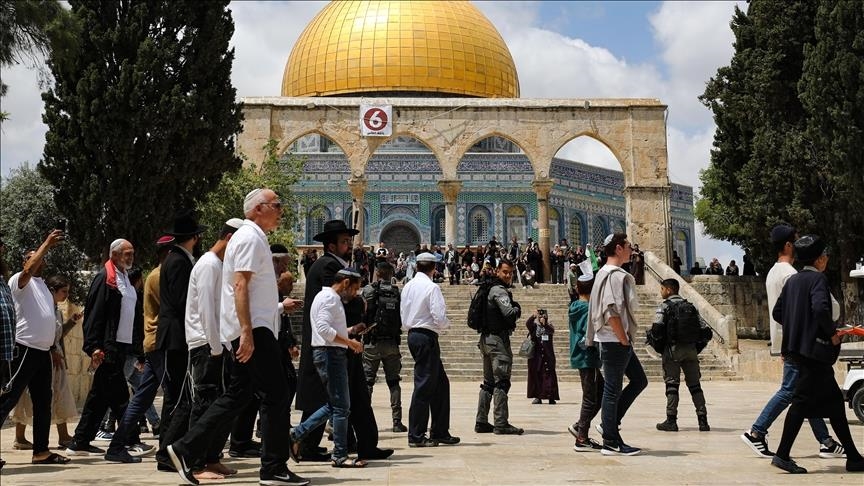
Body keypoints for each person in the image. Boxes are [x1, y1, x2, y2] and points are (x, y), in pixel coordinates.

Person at [167, 188, 308, 486]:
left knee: (237, 395)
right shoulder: (248, 237)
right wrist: (246, 332)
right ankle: (273, 468)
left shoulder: (253, 237)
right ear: (258, 208)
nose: (281, 210)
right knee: (277, 394)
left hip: (254, 327)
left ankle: (184, 449)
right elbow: (239, 286)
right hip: (253, 329)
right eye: (276, 204)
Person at [740, 225, 843, 460]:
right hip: (798, 343)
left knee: (805, 391)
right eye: (796, 241)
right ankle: (756, 431)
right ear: (788, 245)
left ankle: (825, 441)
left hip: (787, 340)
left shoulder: (774, 272)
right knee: (790, 391)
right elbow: (813, 309)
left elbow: (779, 313)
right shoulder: (792, 275)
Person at [770, 235, 864, 474]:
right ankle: (782, 455)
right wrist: (831, 333)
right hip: (813, 352)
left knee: (834, 403)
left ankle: (853, 457)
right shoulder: (817, 280)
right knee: (801, 402)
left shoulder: (792, 281)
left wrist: (798, 324)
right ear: (821, 259)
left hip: (797, 350)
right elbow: (821, 309)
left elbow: (778, 312)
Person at [65, 239, 145, 461]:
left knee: (99, 397)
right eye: (126, 254)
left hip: (122, 346)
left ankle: (80, 441)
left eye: (132, 254)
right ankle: (127, 441)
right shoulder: (105, 279)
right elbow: (94, 314)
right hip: (108, 347)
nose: (130, 258)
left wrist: (137, 349)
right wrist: (94, 346)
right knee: (120, 397)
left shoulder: (125, 280)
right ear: (114, 255)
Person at [176, 218, 243, 479]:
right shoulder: (207, 265)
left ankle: (211, 457)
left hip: (217, 344)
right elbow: (205, 311)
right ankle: (195, 463)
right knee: (204, 404)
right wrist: (216, 348)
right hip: (206, 344)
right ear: (228, 238)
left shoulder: (219, 266)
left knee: (220, 405)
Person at [0, 230, 72, 465]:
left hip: (42, 352)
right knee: (7, 400)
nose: (40, 260)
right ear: (25, 262)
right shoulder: (20, 281)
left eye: (42, 257)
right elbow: (30, 269)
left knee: (43, 403)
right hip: (24, 349)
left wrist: (52, 348)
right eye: (34, 257)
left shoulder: (43, 286)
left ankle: (41, 451)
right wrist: (47, 244)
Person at [104, 235, 174, 467]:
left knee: (142, 397)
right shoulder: (160, 276)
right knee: (173, 396)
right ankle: (169, 450)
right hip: (161, 344)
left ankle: (117, 446)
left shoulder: (157, 275)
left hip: (154, 345)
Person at [290, 269, 367, 468]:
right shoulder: (330, 299)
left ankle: (297, 435)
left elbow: (327, 327)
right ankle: (339, 455)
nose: (356, 294)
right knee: (341, 407)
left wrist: (350, 330)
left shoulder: (325, 297)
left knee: (337, 405)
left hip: (331, 352)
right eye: (355, 289)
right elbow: (324, 330)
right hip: (330, 354)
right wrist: (350, 342)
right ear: (346, 283)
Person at [296, 219, 356, 462]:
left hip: (326, 341)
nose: (349, 245)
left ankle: (306, 443)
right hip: (326, 343)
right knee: (328, 399)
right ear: (331, 246)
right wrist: (348, 334)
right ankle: (302, 440)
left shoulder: (327, 264)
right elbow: (331, 310)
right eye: (344, 242)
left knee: (323, 397)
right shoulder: (329, 268)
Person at [586, 233, 648, 456]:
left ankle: (609, 424)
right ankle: (610, 441)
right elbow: (611, 311)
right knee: (612, 390)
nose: (632, 250)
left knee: (639, 380)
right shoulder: (613, 275)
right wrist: (623, 339)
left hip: (614, 340)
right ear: (619, 248)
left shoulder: (604, 272)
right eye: (629, 246)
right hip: (614, 341)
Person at [155, 210, 207, 467]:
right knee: (177, 396)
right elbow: (181, 300)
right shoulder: (178, 261)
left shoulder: (177, 259)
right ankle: (166, 452)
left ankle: (169, 448)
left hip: (177, 335)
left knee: (177, 395)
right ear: (195, 238)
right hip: (176, 336)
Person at [11, 275, 80, 450]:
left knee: (56, 397)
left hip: (53, 361)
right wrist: (52, 350)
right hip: (39, 356)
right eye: (63, 291)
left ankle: (59, 439)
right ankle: (20, 437)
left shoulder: (54, 310)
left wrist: (71, 323)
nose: (65, 296)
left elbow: (56, 334)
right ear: (53, 291)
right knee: (25, 398)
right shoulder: (40, 306)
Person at [401, 252, 459, 447]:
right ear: (434, 269)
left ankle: (440, 431)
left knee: (440, 384)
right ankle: (416, 435)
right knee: (424, 385)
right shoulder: (431, 287)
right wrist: (446, 325)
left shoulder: (408, 286)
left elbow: (403, 313)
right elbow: (439, 315)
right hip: (426, 337)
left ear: (417, 267)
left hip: (413, 335)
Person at [650, 279, 709, 432]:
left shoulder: (664, 306)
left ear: (669, 290)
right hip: (690, 350)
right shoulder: (691, 307)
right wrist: (696, 348)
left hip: (672, 350)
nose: (661, 291)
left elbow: (656, 330)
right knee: (695, 386)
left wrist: (660, 348)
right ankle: (703, 421)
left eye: (662, 288)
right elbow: (705, 330)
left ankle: (671, 420)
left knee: (672, 386)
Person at [474, 259, 524, 435]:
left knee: (488, 383)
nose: (508, 275)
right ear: (497, 271)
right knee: (501, 382)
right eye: (505, 272)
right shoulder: (499, 291)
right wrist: (518, 309)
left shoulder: (488, 288)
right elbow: (509, 314)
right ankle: (501, 423)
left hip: (486, 340)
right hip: (497, 343)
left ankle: (481, 421)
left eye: (510, 272)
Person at [362, 262, 407, 432]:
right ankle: (397, 422)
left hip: (372, 342)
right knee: (394, 382)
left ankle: (364, 420)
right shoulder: (397, 292)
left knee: (368, 382)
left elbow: (363, 312)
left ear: (377, 273)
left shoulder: (368, 290)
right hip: (392, 343)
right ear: (391, 273)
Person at [567, 272, 603, 451]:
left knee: (601, 392)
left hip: (581, 357)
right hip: (588, 357)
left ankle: (579, 426)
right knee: (590, 397)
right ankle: (581, 437)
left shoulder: (575, 306)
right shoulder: (587, 309)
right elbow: (587, 333)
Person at [526, 309, 559, 405]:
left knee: (550, 377)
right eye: (540, 317)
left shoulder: (549, 327)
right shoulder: (534, 327)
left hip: (548, 357)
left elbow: (551, 331)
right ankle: (538, 397)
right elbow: (528, 324)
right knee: (537, 377)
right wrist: (533, 316)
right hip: (536, 357)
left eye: (543, 316)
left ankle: (551, 397)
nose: (541, 318)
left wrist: (545, 324)